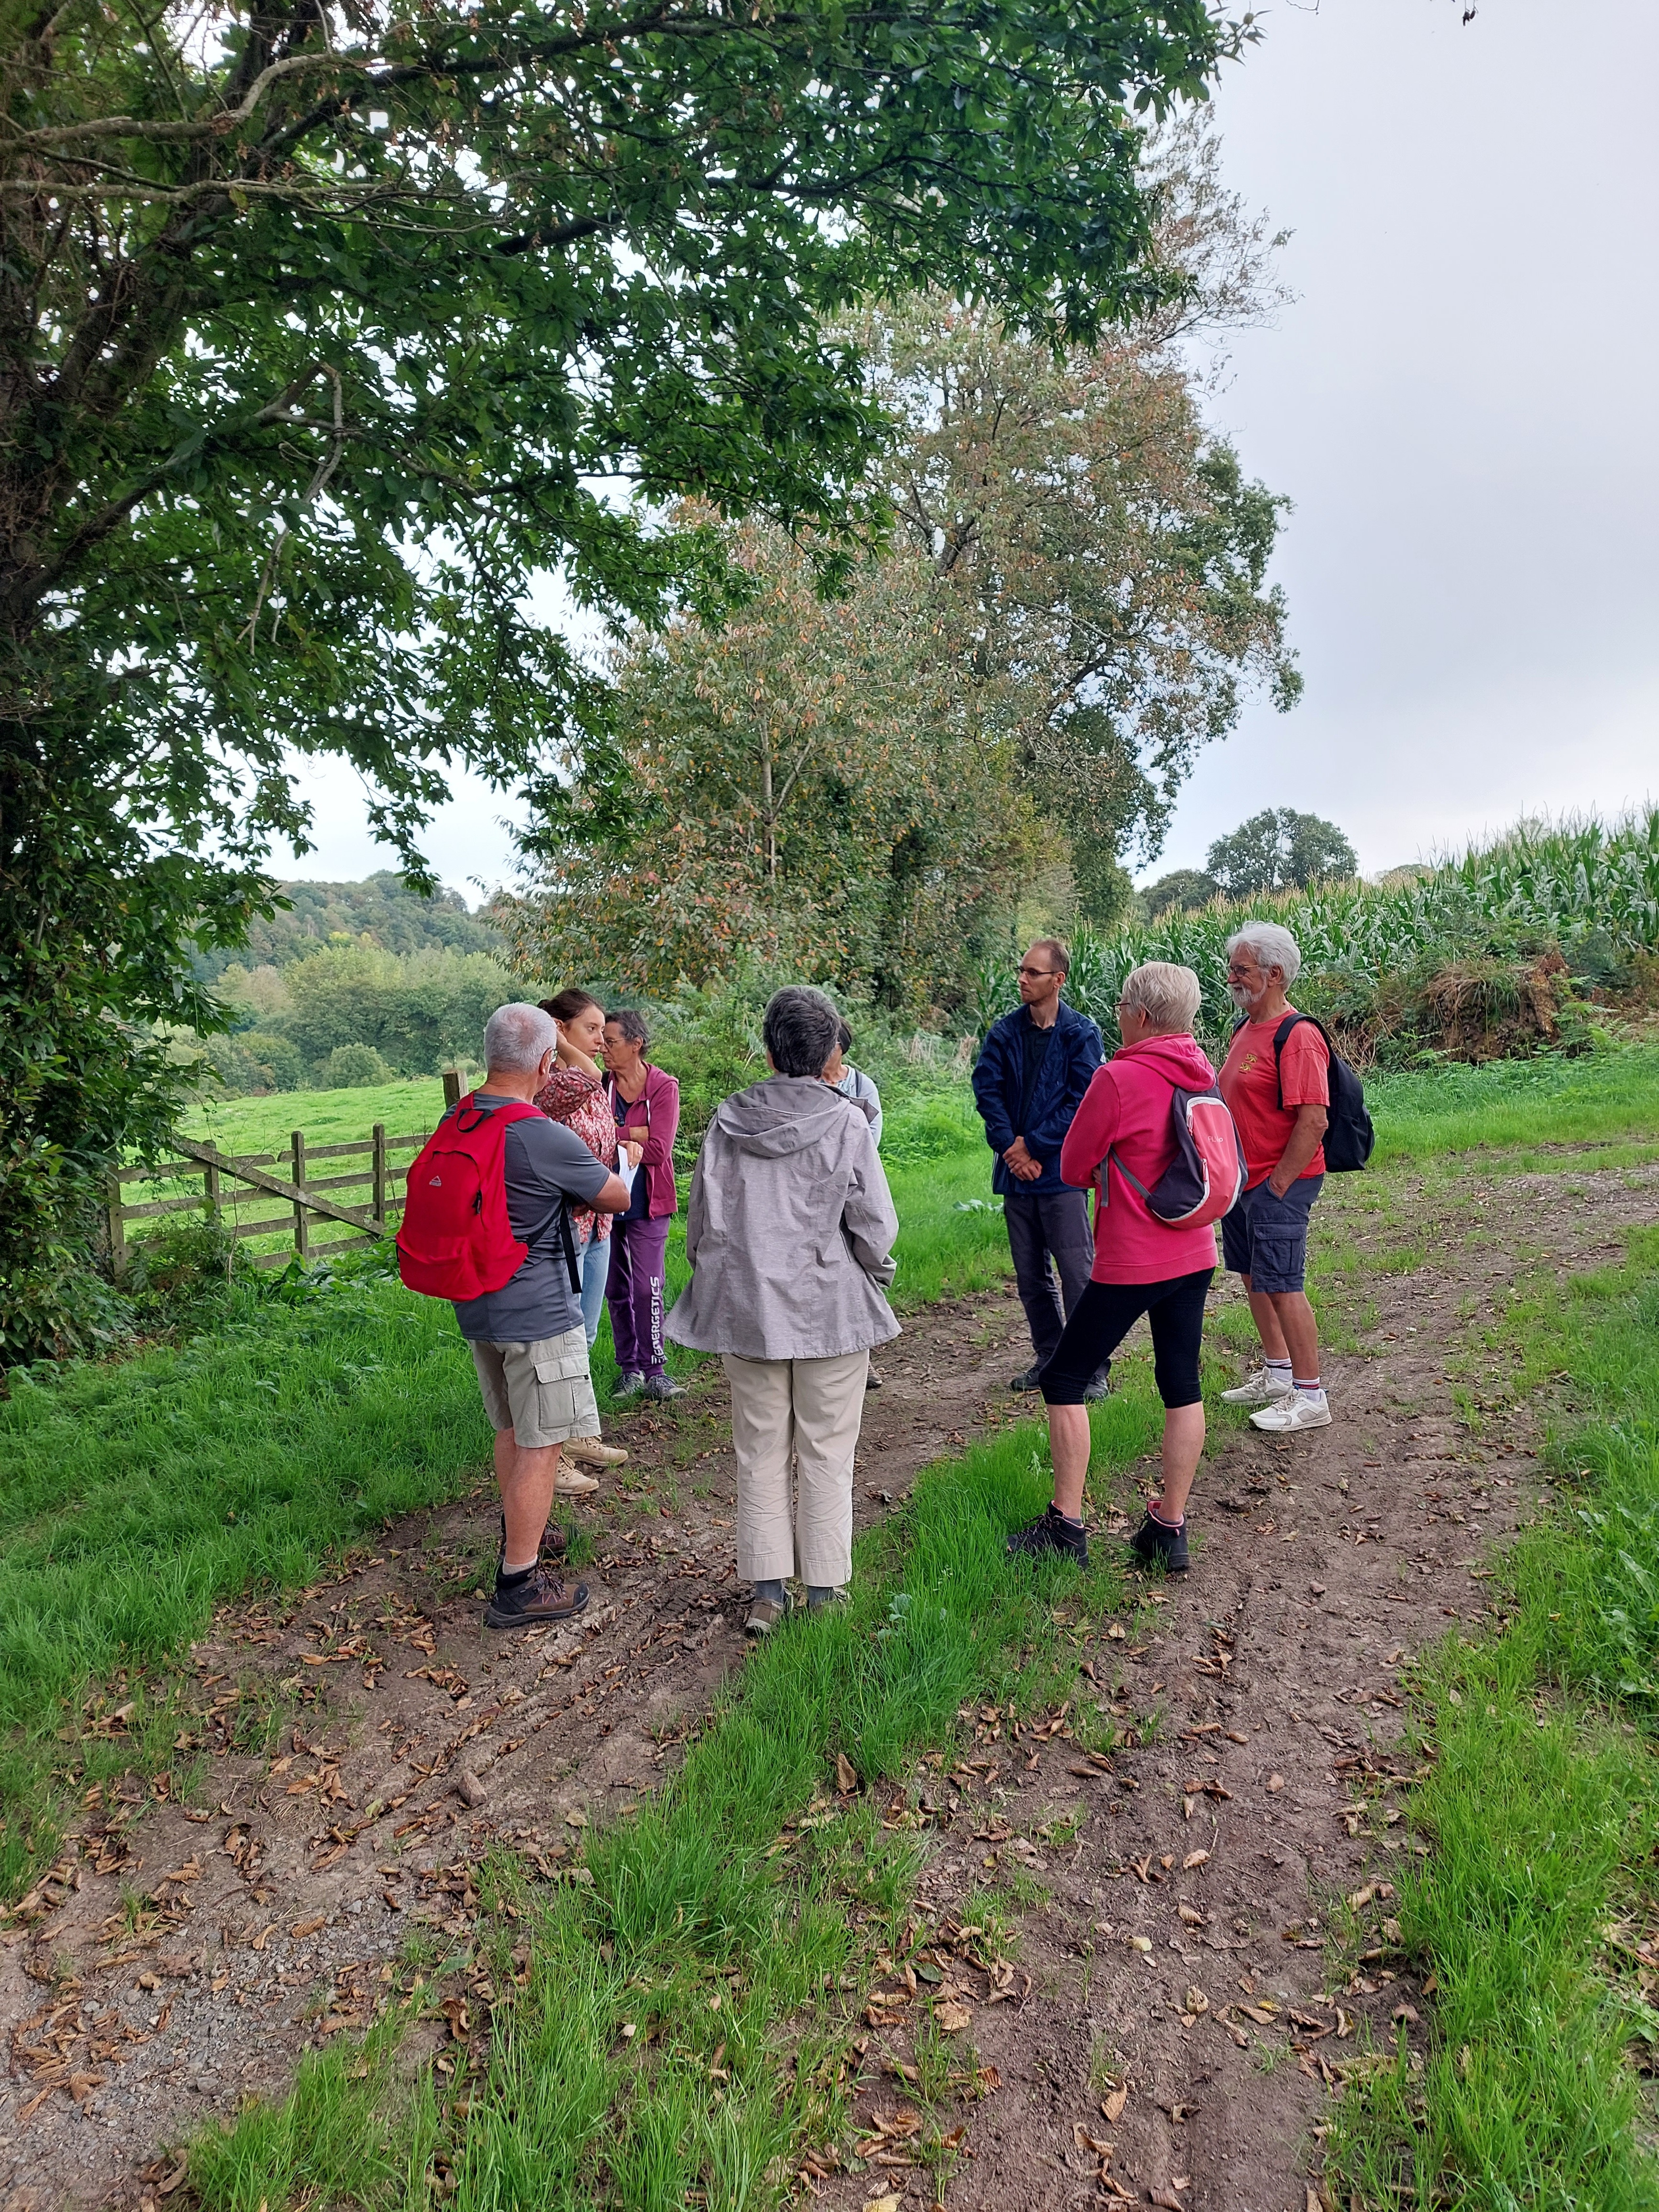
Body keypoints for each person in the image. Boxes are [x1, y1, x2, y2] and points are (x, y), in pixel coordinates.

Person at [666, 986, 899, 1636]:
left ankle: (767, 1595)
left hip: (750, 1311)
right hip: (830, 1310)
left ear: (769, 1052)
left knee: (759, 1448)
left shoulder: (727, 1120)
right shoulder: (849, 1119)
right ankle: (824, 1593)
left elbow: (704, 1222)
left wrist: (725, 1281)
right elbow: (876, 1225)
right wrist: (875, 1276)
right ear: (830, 1056)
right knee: (827, 1450)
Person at [1007, 962, 1218, 1575]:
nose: (1118, 1013)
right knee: (1181, 1383)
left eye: (1123, 1004)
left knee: (1065, 1379)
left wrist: (1105, 1167)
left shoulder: (1119, 1077)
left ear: (1142, 1017)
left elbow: (1072, 1165)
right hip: (1196, 1251)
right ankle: (1168, 1528)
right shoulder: (1203, 1068)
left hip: (1133, 1258)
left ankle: (1066, 1526)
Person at [447, 1003, 631, 1629]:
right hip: (536, 1309)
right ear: (545, 1063)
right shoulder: (537, 1131)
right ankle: (519, 1583)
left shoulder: (462, 1116)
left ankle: (521, 1533)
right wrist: (622, 1163)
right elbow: (615, 1195)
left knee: (512, 1429)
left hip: (478, 1302)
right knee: (544, 1439)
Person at [970, 939, 1106, 1394]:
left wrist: (1035, 1147)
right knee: (1031, 1277)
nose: (1022, 979)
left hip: (1062, 1173)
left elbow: (1082, 1101)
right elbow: (986, 1091)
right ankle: (1050, 1359)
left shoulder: (1080, 1033)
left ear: (1058, 979)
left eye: (1033, 973)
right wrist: (1011, 1147)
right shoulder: (1005, 1032)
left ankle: (1091, 1369)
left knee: (1077, 1275)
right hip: (1017, 1174)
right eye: (1021, 971)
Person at [1216, 922, 1332, 1434]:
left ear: (1275, 974)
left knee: (1284, 1285)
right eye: (1232, 969)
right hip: (1244, 1183)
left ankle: (1311, 1396)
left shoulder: (1298, 1036)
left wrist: (1278, 1186)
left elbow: (1314, 1121)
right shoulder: (1244, 1029)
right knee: (1254, 1277)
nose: (1231, 979)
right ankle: (1279, 1374)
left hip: (1279, 1183)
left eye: (1240, 970)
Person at [532, 986, 629, 1489]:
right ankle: (555, 1453)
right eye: (590, 1029)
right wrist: (557, 1038)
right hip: (565, 1225)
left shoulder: (586, 1082)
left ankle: (576, 1433)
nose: (600, 1040)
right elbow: (589, 1074)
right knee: (561, 1340)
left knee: (584, 1334)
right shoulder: (552, 1080)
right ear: (559, 1028)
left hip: (598, 1223)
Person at [602, 1007, 685, 1401]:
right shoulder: (601, 1086)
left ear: (636, 1044)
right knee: (614, 1286)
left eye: (611, 1041)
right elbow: (593, 1142)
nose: (603, 1047)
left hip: (650, 1201)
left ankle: (657, 1370)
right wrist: (631, 1132)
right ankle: (629, 1369)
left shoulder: (663, 1087)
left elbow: (659, 1149)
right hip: (603, 1199)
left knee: (647, 1286)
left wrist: (621, 1135)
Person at [823, 1018, 883, 1146]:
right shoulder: (808, 1083)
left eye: (830, 1045)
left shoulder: (862, 1085)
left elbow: (872, 1135)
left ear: (843, 1047)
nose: (823, 1051)